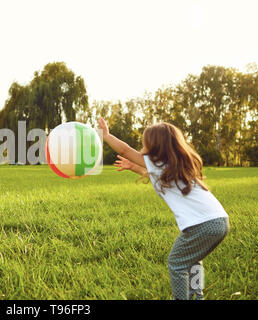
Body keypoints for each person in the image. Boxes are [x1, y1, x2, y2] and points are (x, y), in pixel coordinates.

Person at [98, 118, 230, 300]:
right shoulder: (177, 167)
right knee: (192, 260)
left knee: (176, 262)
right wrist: (132, 167)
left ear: (155, 146)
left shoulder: (159, 164)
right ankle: (196, 296)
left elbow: (125, 150)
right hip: (220, 221)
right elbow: (151, 174)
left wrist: (106, 135)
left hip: (202, 225)